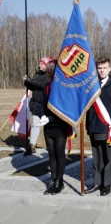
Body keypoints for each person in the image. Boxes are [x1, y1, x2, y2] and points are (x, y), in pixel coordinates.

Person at [84, 57, 111, 196]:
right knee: (96, 157)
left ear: (109, 68)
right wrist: (88, 125)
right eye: (99, 68)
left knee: (107, 158)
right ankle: (96, 182)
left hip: (107, 129)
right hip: (93, 126)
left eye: (104, 68)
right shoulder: (92, 85)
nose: (101, 71)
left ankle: (106, 184)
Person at [38, 59, 68, 195]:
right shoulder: (47, 86)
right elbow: (40, 103)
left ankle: (60, 181)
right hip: (48, 125)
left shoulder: (63, 87)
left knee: (59, 152)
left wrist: (50, 118)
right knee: (51, 153)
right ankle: (53, 180)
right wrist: (42, 115)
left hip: (60, 124)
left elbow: (64, 109)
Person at [22, 56, 53, 153]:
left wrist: (31, 81)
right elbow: (33, 87)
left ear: (47, 65)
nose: (39, 65)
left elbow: (41, 85)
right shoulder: (37, 74)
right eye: (39, 63)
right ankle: (32, 144)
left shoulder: (50, 75)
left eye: (41, 64)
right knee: (35, 125)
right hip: (36, 104)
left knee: (48, 127)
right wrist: (27, 82)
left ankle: (51, 145)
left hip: (47, 104)